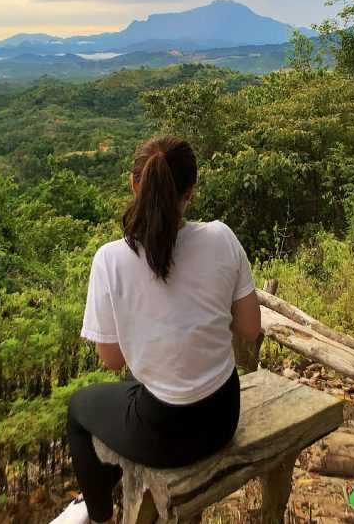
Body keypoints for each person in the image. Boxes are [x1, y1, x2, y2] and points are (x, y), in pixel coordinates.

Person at [53, 136, 262, 524]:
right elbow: (250, 327)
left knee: (79, 410)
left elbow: (112, 360)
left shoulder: (110, 260)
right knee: (136, 389)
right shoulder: (222, 238)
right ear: (191, 191)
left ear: (135, 184)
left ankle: (96, 515)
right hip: (222, 416)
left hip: (164, 436)